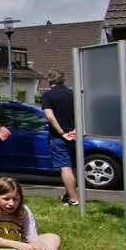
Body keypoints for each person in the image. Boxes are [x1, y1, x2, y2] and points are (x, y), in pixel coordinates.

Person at [40, 69, 79, 206]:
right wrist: (75, 130)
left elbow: (50, 117)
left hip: (58, 136)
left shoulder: (48, 96)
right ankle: (68, 194)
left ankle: (74, 199)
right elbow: (82, 114)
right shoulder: (73, 94)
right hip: (75, 136)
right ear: (63, 79)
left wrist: (62, 133)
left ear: (49, 80)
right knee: (73, 166)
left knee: (65, 167)